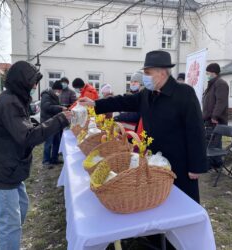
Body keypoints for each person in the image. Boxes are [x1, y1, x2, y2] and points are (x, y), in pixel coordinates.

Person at [80, 50, 207, 202]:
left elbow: (196, 130)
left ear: (161, 72)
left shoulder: (184, 93)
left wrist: (196, 165)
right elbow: (124, 101)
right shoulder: (147, 93)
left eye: (147, 73)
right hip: (154, 158)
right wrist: (96, 103)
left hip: (180, 161)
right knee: (159, 197)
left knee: (184, 201)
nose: (144, 77)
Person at [0, 61, 71, 249]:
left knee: (21, 210)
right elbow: (27, 137)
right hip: (4, 170)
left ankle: (9, 244)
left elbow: (21, 127)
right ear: (21, 81)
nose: (34, 86)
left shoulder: (15, 99)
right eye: (32, 82)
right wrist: (61, 119)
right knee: (10, 223)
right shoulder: (9, 102)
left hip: (12, 168)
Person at [202, 63, 229, 169]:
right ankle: (217, 163)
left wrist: (214, 116)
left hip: (215, 120)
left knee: (212, 142)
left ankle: (210, 164)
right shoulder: (212, 84)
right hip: (209, 119)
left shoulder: (220, 84)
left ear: (213, 73)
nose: (207, 75)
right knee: (214, 142)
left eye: (208, 73)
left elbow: (221, 102)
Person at [41, 80, 66, 168]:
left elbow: (54, 106)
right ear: (55, 89)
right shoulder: (46, 95)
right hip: (48, 123)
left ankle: (54, 158)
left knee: (57, 141)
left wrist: (62, 107)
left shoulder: (55, 96)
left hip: (56, 122)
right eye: (59, 91)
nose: (60, 93)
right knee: (49, 142)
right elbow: (46, 107)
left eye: (61, 91)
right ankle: (46, 161)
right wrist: (60, 108)